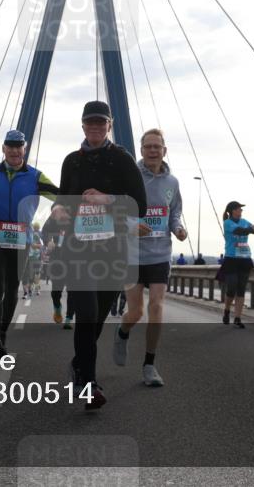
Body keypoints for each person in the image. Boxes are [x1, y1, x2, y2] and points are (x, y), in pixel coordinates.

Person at [50, 100, 149, 410]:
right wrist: (58, 209)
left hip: (112, 249)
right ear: (82, 126)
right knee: (87, 313)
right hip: (77, 249)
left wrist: (108, 199)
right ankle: (88, 384)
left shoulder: (122, 159)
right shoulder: (71, 161)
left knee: (98, 318)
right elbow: (63, 199)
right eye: (89, 122)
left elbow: (140, 205)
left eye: (100, 122)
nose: (95, 127)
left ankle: (80, 363)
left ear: (110, 126)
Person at [0, 129, 58, 355]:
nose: (14, 151)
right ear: (3, 149)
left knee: (11, 289)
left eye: (18, 146)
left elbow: (61, 196)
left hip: (22, 239)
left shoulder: (36, 176)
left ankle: (2, 333)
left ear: (24, 149)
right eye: (10, 146)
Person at [112, 128, 187, 386]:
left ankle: (149, 365)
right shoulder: (130, 177)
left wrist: (177, 228)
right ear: (141, 151)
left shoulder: (173, 182)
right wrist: (131, 225)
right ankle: (122, 333)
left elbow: (174, 212)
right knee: (135, 311)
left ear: (165, 150)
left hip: (160, 254)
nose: (153, 151)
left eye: (157, 146)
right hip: (132, 255)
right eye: (148, 147)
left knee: (156, 306)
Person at [221, 201, 254, 329]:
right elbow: (243, 232)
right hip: (231, 259)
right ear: (233, 211)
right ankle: (227, 309)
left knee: (241, 289)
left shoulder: (245, 220)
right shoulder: (227, 223)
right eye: (239, 209)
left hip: (245, 258)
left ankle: (237, 317)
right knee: (231, 288)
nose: (241, 211)